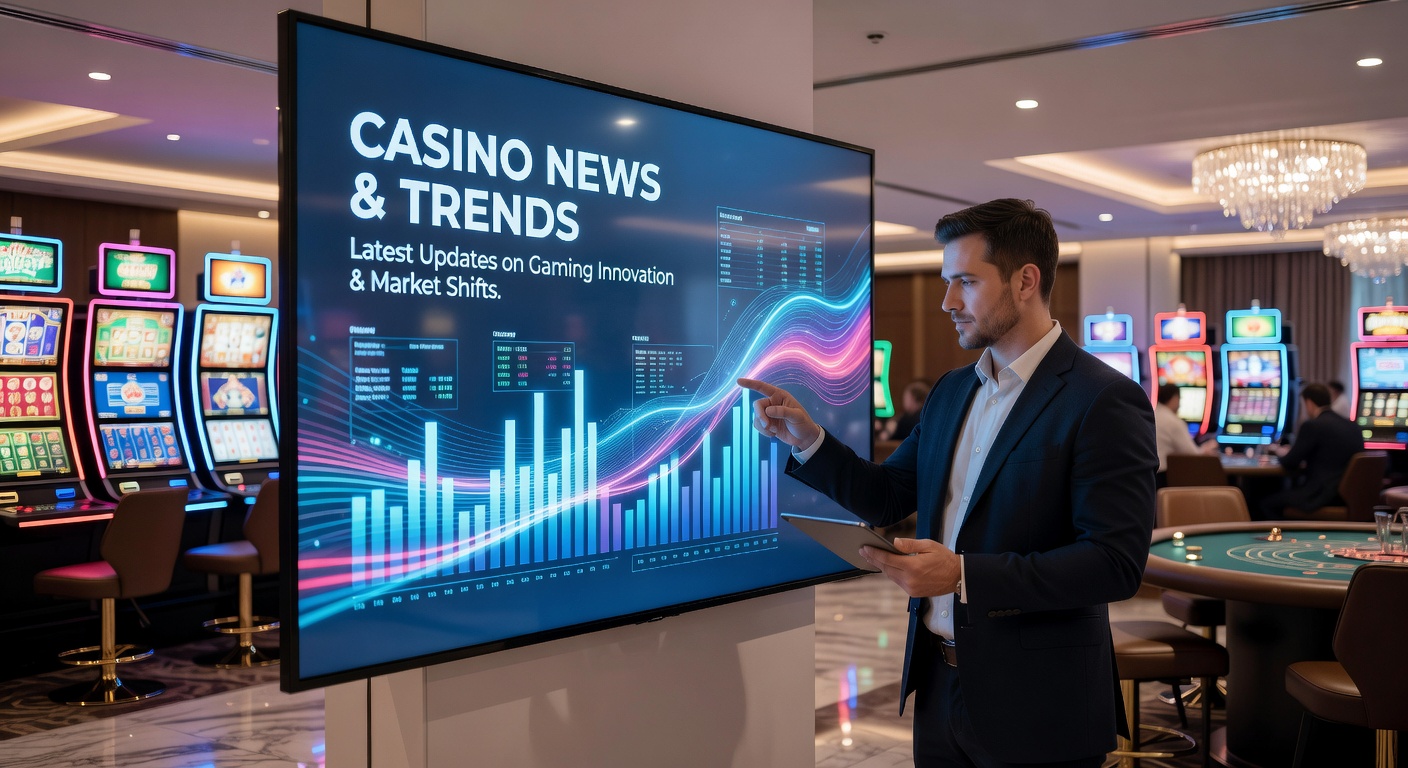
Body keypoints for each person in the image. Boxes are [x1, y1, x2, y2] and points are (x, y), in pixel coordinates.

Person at [739, 198, 1156, 767]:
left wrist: (962, 574)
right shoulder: (952, 391)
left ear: (1026, 280)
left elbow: (1114, 563)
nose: (947, 301)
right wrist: (808, 439)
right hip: (939, 682)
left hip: (1041, 702)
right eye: (946, 281)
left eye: (965, 281)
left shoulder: (1102, 399)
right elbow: (887, 496)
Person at [1260, 382, 1365, 519]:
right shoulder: (1353, 426)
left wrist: (1279, 451)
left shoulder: (1312, 425)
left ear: (1309, 402)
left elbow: (1290, 462)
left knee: (1264, 503)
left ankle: (1281, 539)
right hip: (1349, 496)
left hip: (1319, 496)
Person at [1153, 382, 1217, 486]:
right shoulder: (1173, 421)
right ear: (1174, 398)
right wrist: (1208, 447)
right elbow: (1192, 454)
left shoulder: (1152, 415)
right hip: (1164, 477)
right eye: (1180, 399)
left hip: (1150, 474)